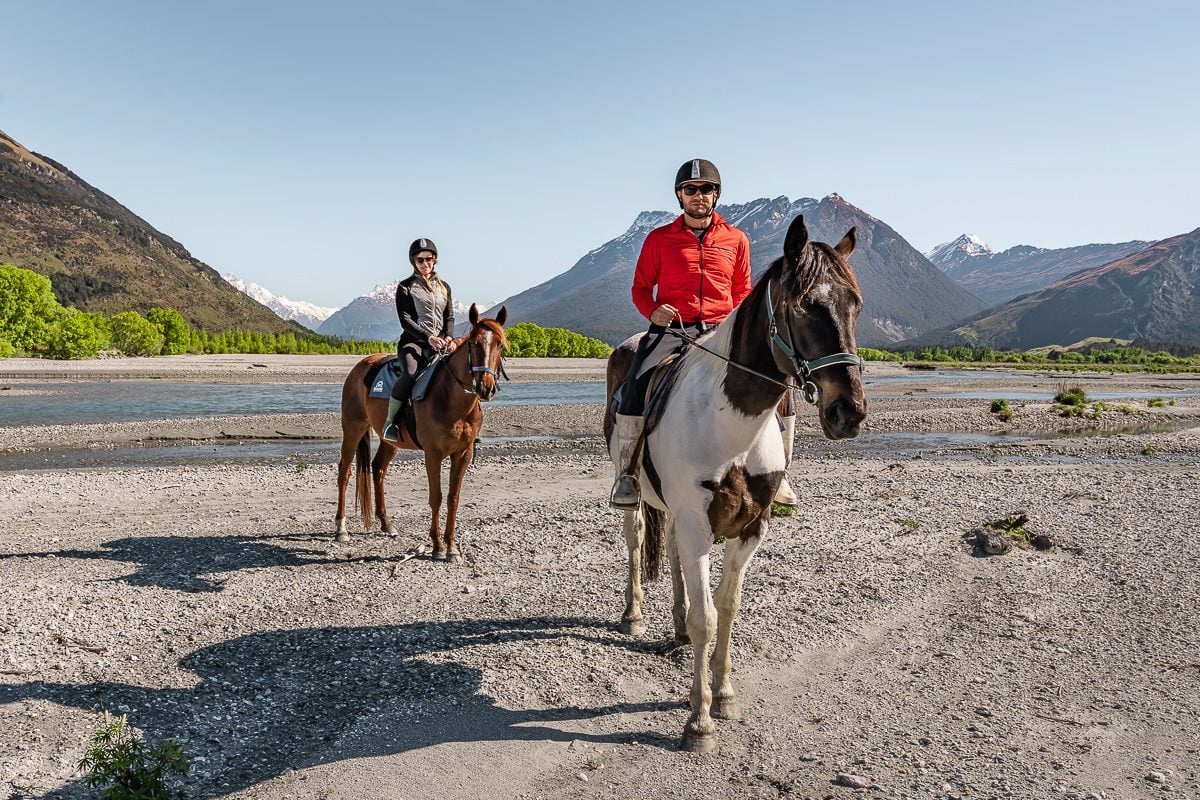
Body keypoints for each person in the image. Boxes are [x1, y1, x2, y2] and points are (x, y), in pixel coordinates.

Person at [610, 158, 799, 508]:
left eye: (706, 189)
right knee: (635, 383)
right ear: (679, 196)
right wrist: (652, 310)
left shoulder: (736, 240)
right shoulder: (658, 239)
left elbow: (742, 291)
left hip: (722, 330)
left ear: (717, 194)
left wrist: (737, 325)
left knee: (780, 384)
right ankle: (627, 474)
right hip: (673, 330)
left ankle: (781, 471)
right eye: (691, 190)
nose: (699, 196)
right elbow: (640, 288)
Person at [382, 238, 455, 442]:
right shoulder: (406, 287)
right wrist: (428, 337)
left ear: (435, 260)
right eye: (419, 260)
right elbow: (405, 320)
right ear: (413, 262)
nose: (424, 263)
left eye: (428, 259)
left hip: (441, 343)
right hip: (413, 342)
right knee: (411, 372)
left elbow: (449, 316)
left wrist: (449, 336)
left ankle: (470, 426)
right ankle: (390, 422)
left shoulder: (445, 287)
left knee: (464, 370)